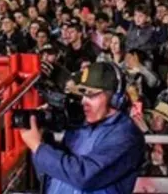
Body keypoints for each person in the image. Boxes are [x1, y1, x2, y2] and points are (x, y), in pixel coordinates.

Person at [20, 62, 145, 194]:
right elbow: (55, 175)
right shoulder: (80, 128)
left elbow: (85, 176)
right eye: (83, 94)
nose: (84, 101)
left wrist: (38, 148)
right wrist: (44, 139)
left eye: (91, 95)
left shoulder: (126, 136)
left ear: (115, 99)